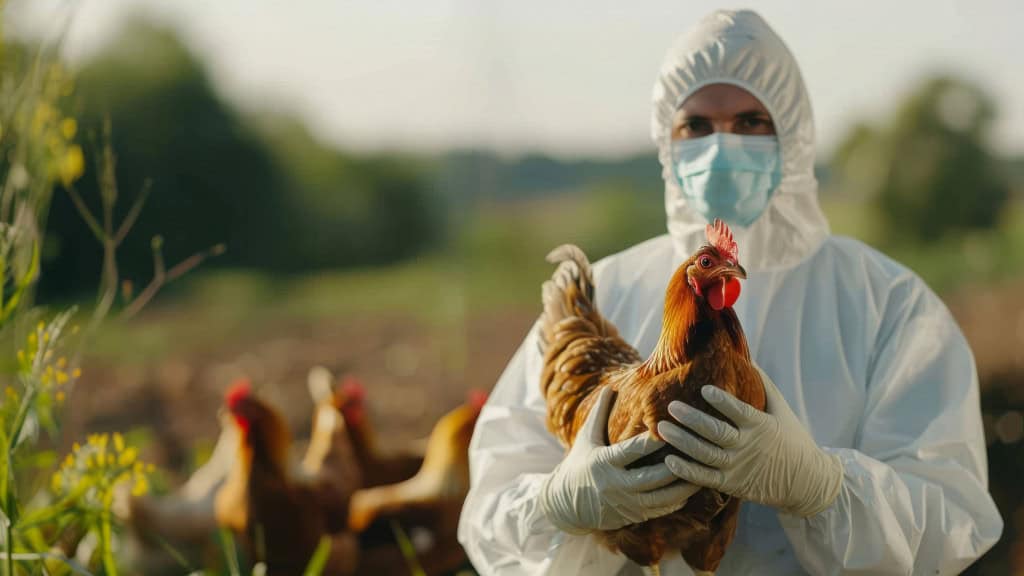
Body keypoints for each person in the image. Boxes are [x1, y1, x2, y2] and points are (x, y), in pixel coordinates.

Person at [457, 9, 1003, 575]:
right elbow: (490, 511)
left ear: (793, 132)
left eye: (750, 121)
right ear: (667, 140)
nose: (723, 147)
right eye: (696, 126)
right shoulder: (607, 292)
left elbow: (952, 519)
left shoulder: (890, 306)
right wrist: (558, 506)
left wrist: (822, 487)